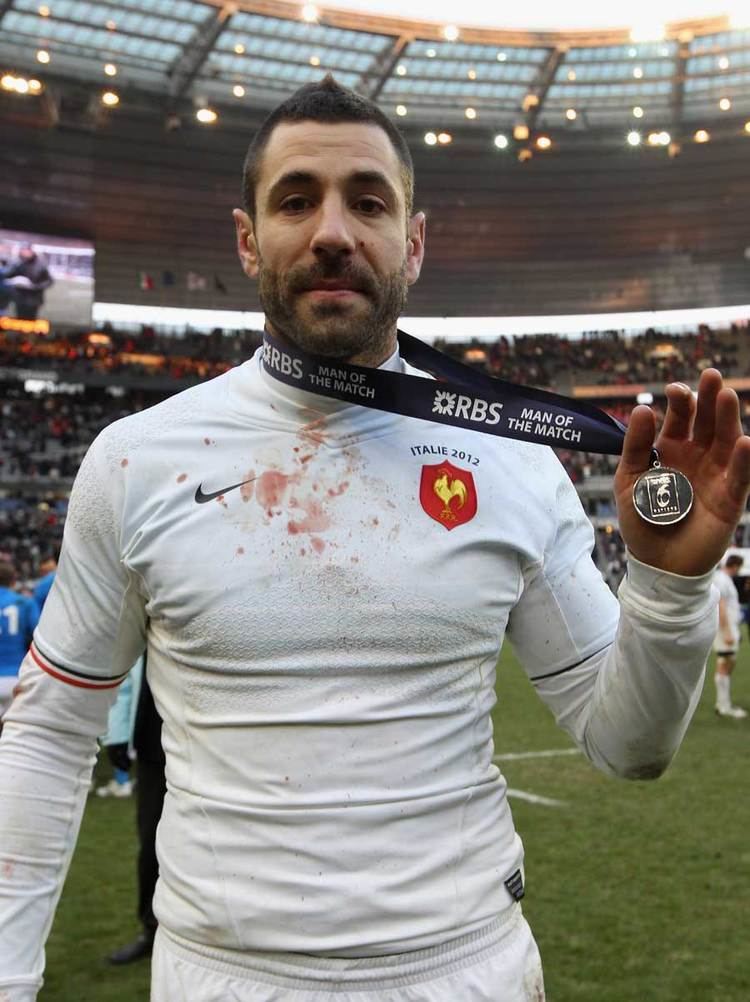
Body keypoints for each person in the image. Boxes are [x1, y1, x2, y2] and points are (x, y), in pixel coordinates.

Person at [2, 75, 750, 1002]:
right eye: (295, 199)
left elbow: (627, 745)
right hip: (225, 977)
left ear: (414, 241)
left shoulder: (511, 462)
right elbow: (50, 734)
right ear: (247, 239)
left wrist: (669, 589)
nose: (332, 232)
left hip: (465, 969)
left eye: (368, 201)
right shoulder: (138, 459)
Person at [107, 665, 166, 965]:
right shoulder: (144, 616)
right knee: (151, 845)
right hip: (151, 743)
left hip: (206, 742)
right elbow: (125, 672)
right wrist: (117, 732)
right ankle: (151, 929)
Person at [94, 654, 143, 798]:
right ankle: (119, 781)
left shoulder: (135, 655)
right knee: (113, 748)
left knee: (118, 750)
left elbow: (137, 683)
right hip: (112, 709)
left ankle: (124, 783)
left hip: (121, 712)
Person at [0, 561, 39, 729]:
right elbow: (38, 636)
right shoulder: (24, 603)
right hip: (15, 676)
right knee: (12, 740)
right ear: (13, 580)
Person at [712, 553, 747, 718]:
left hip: (729, 626)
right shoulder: (722, 579)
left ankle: (723, 704)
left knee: (726, 662)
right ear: (735, 566)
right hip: (725, 628)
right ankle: (723, 705)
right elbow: (721, 605)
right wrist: (726, 631)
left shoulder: (723, 579)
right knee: (726, 663)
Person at [0, 244, 54, 321]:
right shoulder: (18, 262)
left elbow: (49, 281)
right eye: (23, 251)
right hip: (19, 297)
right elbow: (8, 275)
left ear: (31, 251)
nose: (24, 253)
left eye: (26, 251)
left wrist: (35, 286)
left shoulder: (41, 264)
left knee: (30, 321)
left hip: (34, 299)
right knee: (19, 320)